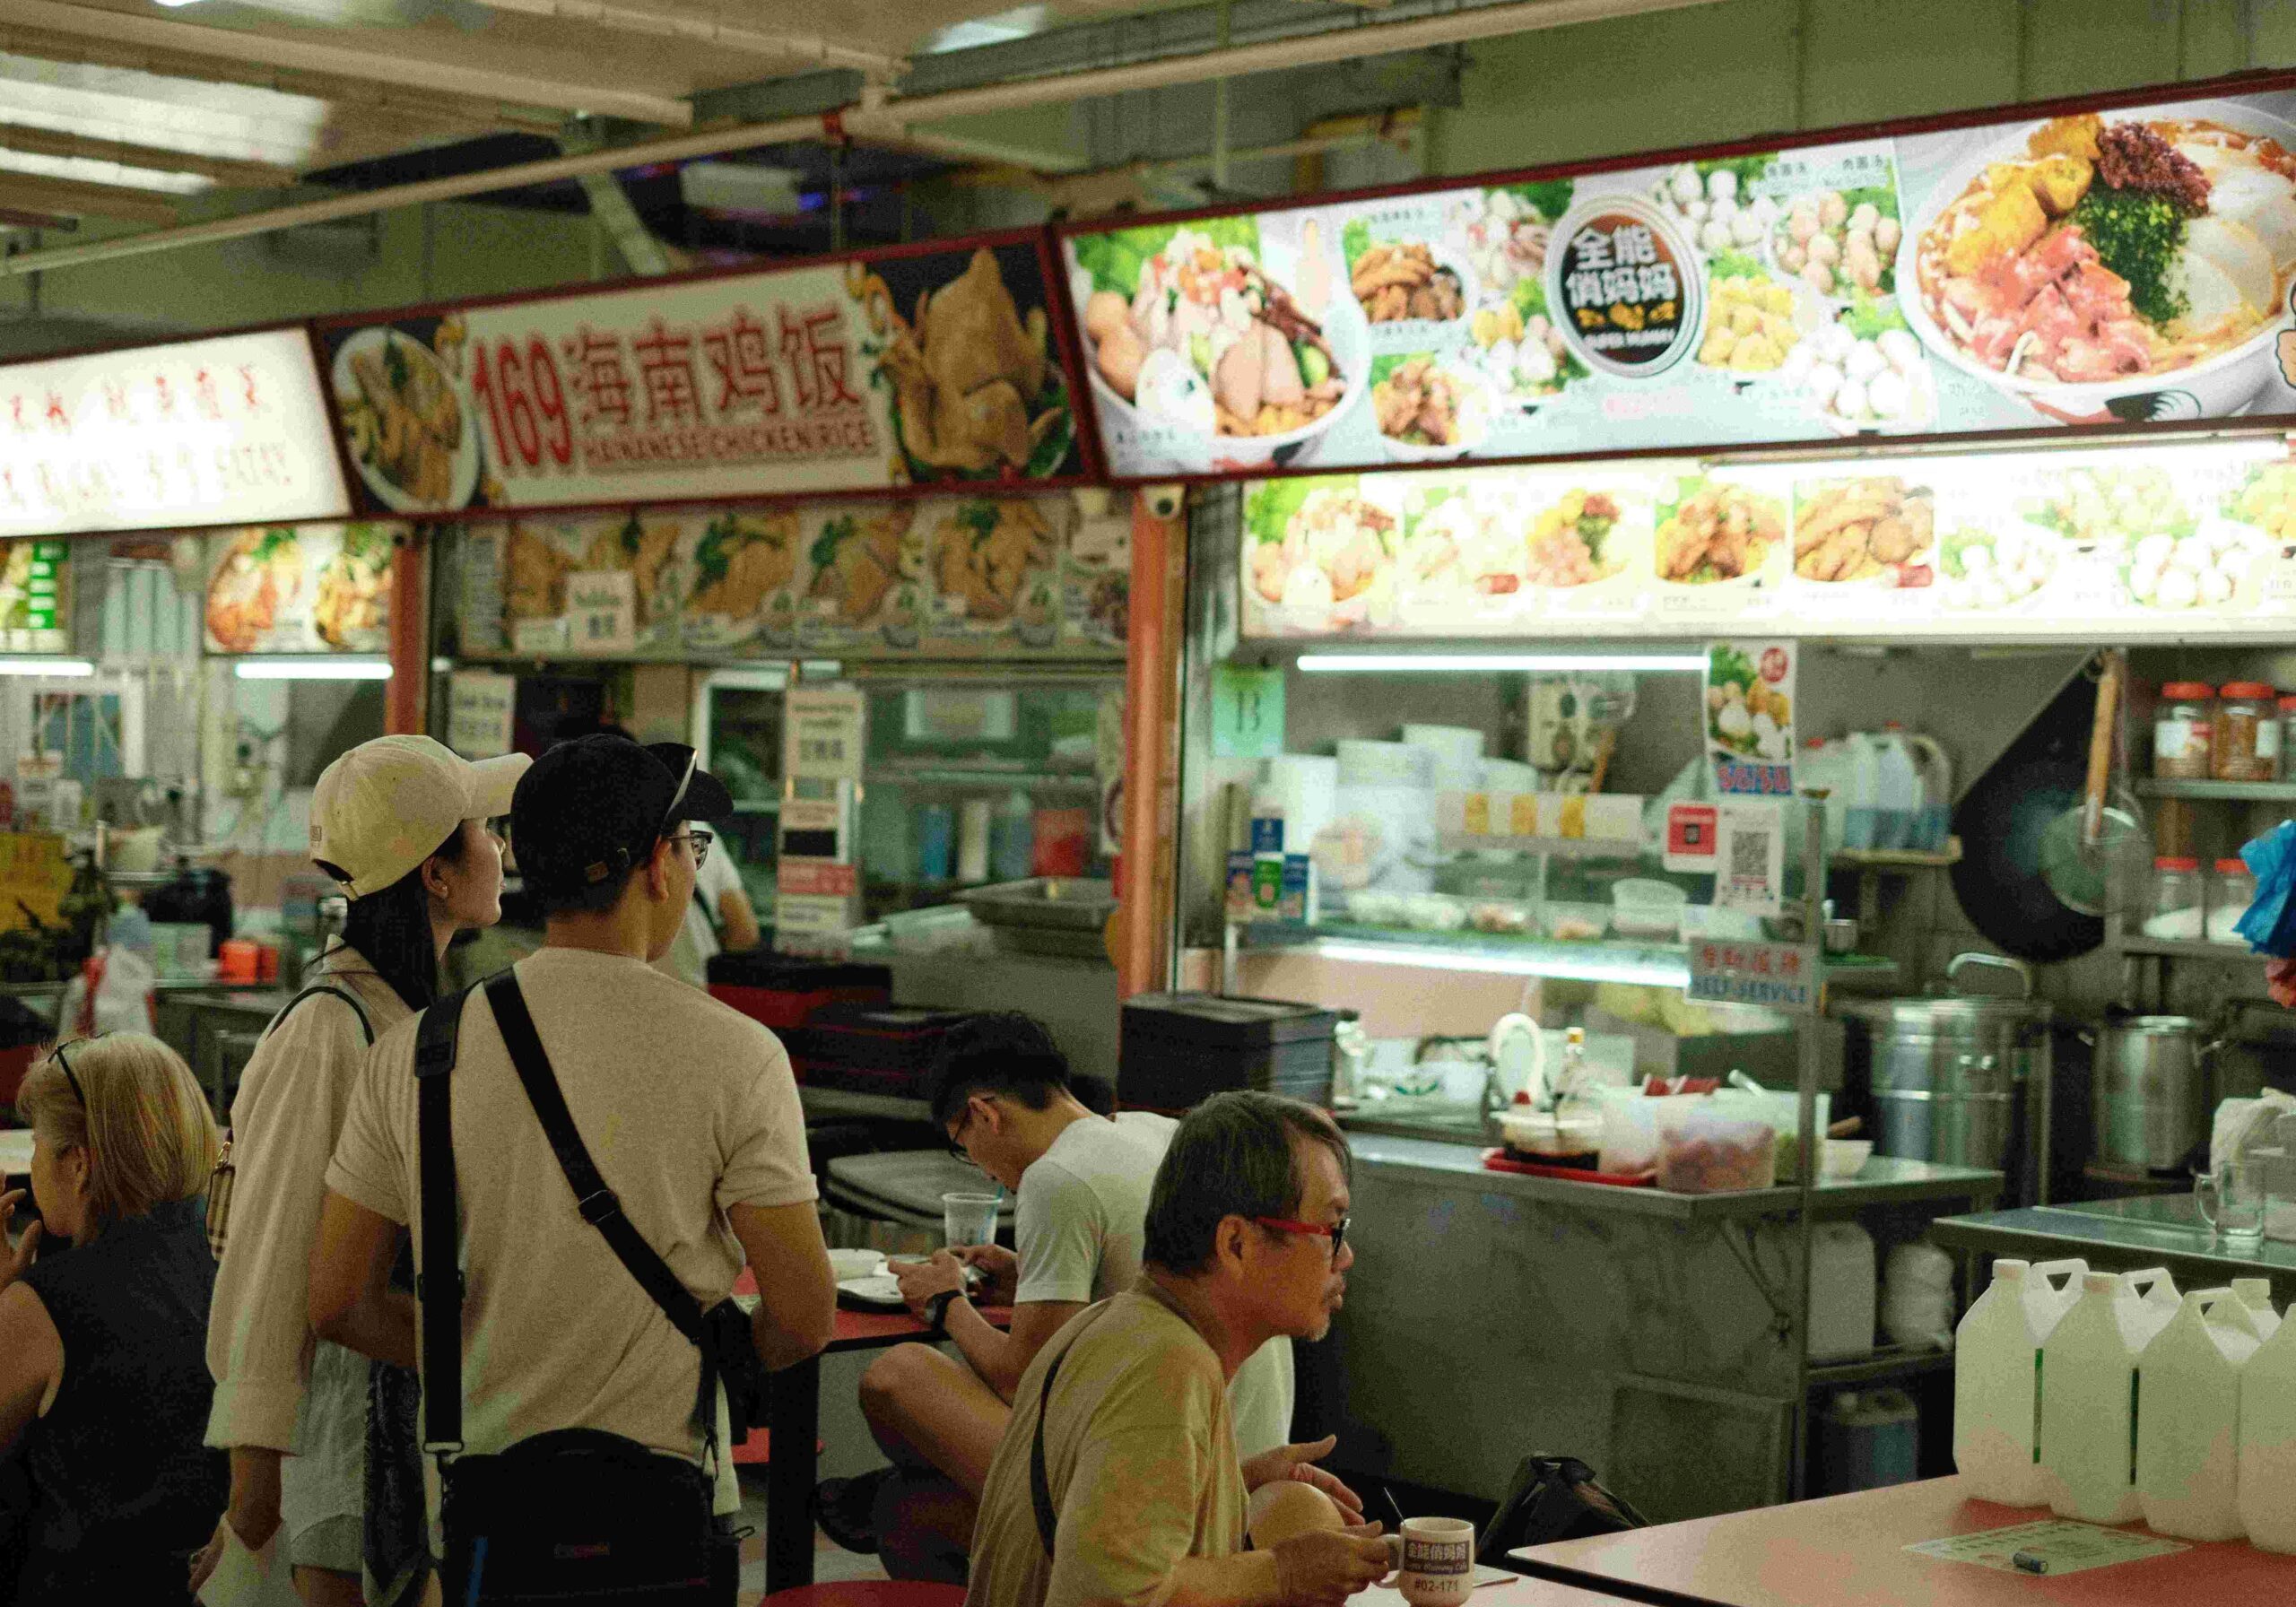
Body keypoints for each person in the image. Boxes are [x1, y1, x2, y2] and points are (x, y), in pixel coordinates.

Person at [309, 736, 838, 1544]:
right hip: (666, 1498)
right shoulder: (738, 1054)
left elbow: (339, 1300)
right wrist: (711, 1359)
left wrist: (483, 1357)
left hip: (484, 1506)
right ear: (658, 867)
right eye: (691, 847)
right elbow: (803, 1314)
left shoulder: (415, 1051)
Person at [195, 734, 527, 1607]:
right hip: (339, 1446)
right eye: (483, 829)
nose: (501, 847)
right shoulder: (330, 1029)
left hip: (403, 1437)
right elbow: (271, 1263)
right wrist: (251, 1499)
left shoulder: (404, 1011)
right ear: (435, 874)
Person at [827, 1013, 1296, 1578]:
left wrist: (945, 1302)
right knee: (909, 1508)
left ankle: (883, 1491)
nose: (985, 1174)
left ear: (983, 1114)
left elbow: (1024, 1378)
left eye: (963, 1147)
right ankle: (891, 1492)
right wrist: (1031, 1276)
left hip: (1167, 1473)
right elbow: (1147, 1288)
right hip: (1246, 1461)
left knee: (897, 1376)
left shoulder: (1058, 1177)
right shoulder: (1153, 1132)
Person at [966, 1090, 1391, 1607]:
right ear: (1235, 1244)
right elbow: (1106, 1598)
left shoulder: (1117, 1324)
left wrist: (1228, 1482)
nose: (1344, 1256)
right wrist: (1285, 1572)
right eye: (1331, 1227)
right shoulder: (1166, 1366)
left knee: (1299, 1508)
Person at [0, 1034, 228, 1606]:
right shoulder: (227, 1263)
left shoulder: (48, 1304)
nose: (29, 1167)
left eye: (38, 1145)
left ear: (78, 1164)